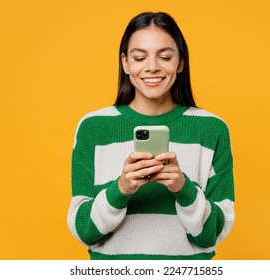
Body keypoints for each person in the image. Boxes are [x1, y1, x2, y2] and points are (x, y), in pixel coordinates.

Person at [67, 12, 235, 260]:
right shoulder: (93, 127)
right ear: (125, 63)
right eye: (139, 57)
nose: (153, 67)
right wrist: (122, 188)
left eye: (165, 56)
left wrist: (183, 188)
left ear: (180, 63)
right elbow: (84, 232)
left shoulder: (212, 129)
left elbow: (211, 235)